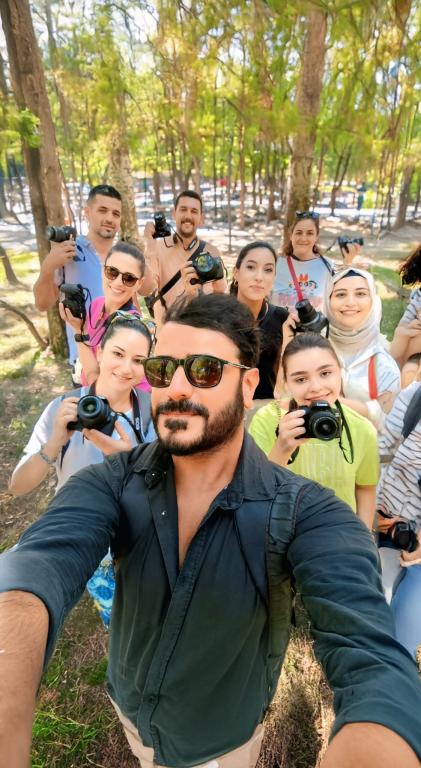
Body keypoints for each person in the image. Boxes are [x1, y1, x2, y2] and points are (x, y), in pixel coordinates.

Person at [1, 293, 421, 768]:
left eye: (204, 370)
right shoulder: (110, 481)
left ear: (248, 386)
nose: (176, 388)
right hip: (132, 711)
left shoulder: (307, 511)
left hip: (224, 739)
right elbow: (35, 568)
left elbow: (371, 658)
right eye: (162, 370)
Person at [8, 313, 155, 627]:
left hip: (139, 536)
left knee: (144, 617)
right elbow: (18, 486)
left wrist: (130, 462)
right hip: (86, 539)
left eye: (138, 360)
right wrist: (54, 442)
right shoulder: (64, 408)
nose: (126, 368)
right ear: (99, 352)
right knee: (119, 622)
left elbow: (168, 483)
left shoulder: (152, 410)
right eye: (118, 354)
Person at [248, 333, 379, 529]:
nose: (316, 387)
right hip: (282, 531)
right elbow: (256, 492)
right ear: (287, 383)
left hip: (340, 532)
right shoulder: (267, 420)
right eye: (301, 379)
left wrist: (365, 538)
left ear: (340, 371)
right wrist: (282, 448)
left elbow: (365, 489)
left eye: (325, 373)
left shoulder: (362, 428)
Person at [33, 184, 123, 366]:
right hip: (85, 362)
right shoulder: (69, 250)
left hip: (123, 361)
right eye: (102, 210)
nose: (109, 218)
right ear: (87, 212)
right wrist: (48, 267)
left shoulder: (124, 255)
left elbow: (145, 292)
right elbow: (42, 304)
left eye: (116, 213)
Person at [60, 240, 153, 387]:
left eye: (129, 278)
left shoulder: (129, 328)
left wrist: (78, 331)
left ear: (139, 284)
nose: (118, 282)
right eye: (112, 272)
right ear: (103, 270)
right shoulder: (97, 304)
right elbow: (90, 351)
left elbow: (98, 384)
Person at [376, 375, 421, 658]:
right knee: (378, 619)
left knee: (403, 638)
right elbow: (382, 448)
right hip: (392, 528)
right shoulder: (415, 395)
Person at [325, 266, 400, 429]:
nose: (350, 302)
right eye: (341, 294)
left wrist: (332, 402)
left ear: (373, 301)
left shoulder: (383, 363)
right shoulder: (314, 347)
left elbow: (389, 427)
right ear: (327, 300)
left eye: (360, 294)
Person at [140, 189, 227, 326]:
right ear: (174, 214)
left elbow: (220, 298)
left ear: (201, 218)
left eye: (194, 211)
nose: (188, 215)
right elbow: (145, 290)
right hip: (168, 331)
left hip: (202, 329)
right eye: (183, 209)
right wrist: (149, 245)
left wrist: (220, 287)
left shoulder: (211, 252)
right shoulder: (157, 248)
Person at [229, 240, 295, 403]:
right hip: (226, 409)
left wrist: (289, 339)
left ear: (274, 278)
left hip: (269, 410)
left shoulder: (282, 319)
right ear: (236, 273)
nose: (259, 277)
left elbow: (289, 378)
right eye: (251, 267)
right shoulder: (218, 316)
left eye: (268, 270)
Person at [271, 211, 359, 312]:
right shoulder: (275, 264)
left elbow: (345, 296)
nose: (303, 238)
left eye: (310, 233)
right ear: (291, 235)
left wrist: (348, 262)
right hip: (277, 322)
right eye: (299, 233)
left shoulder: (328, 266)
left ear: (316, 237)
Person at [390, 244, 421, 386]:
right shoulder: (418, 299)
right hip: (413, 354)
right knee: (410, 370)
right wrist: (405, 331)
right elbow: (403, 329)